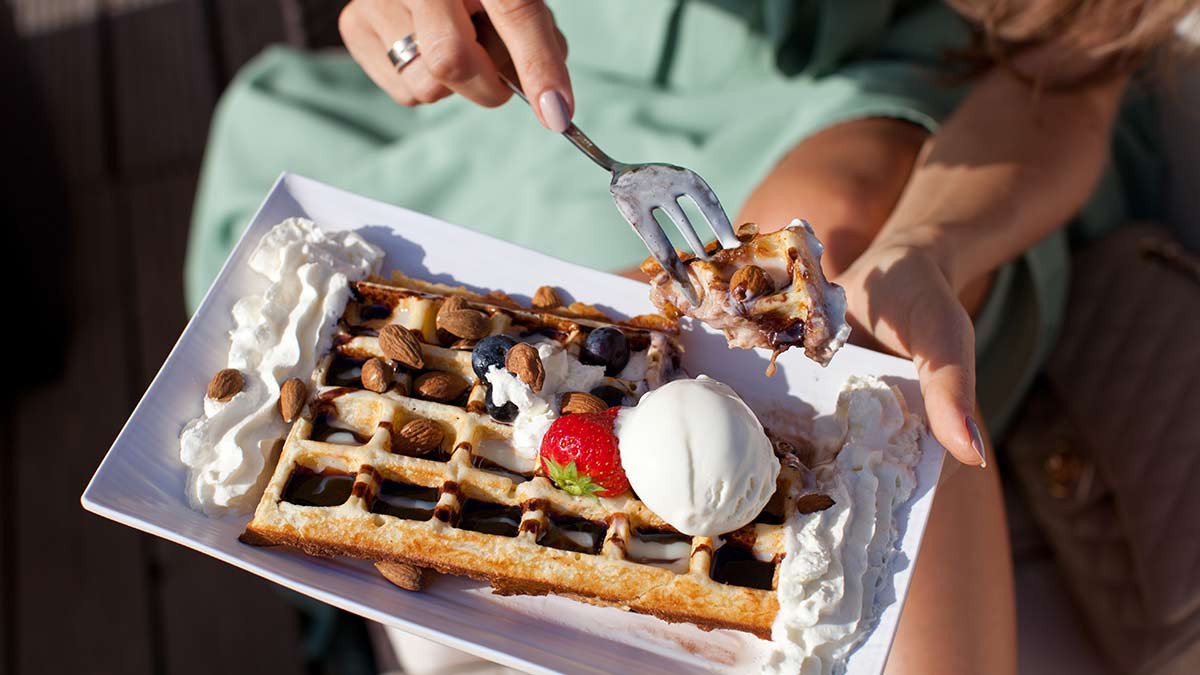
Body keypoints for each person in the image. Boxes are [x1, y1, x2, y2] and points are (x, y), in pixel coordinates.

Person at [186, 1, 1194, 673]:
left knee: (834, 288)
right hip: (569, 77)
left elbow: (1071, 67)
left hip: (953, 103)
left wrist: (933, 242)